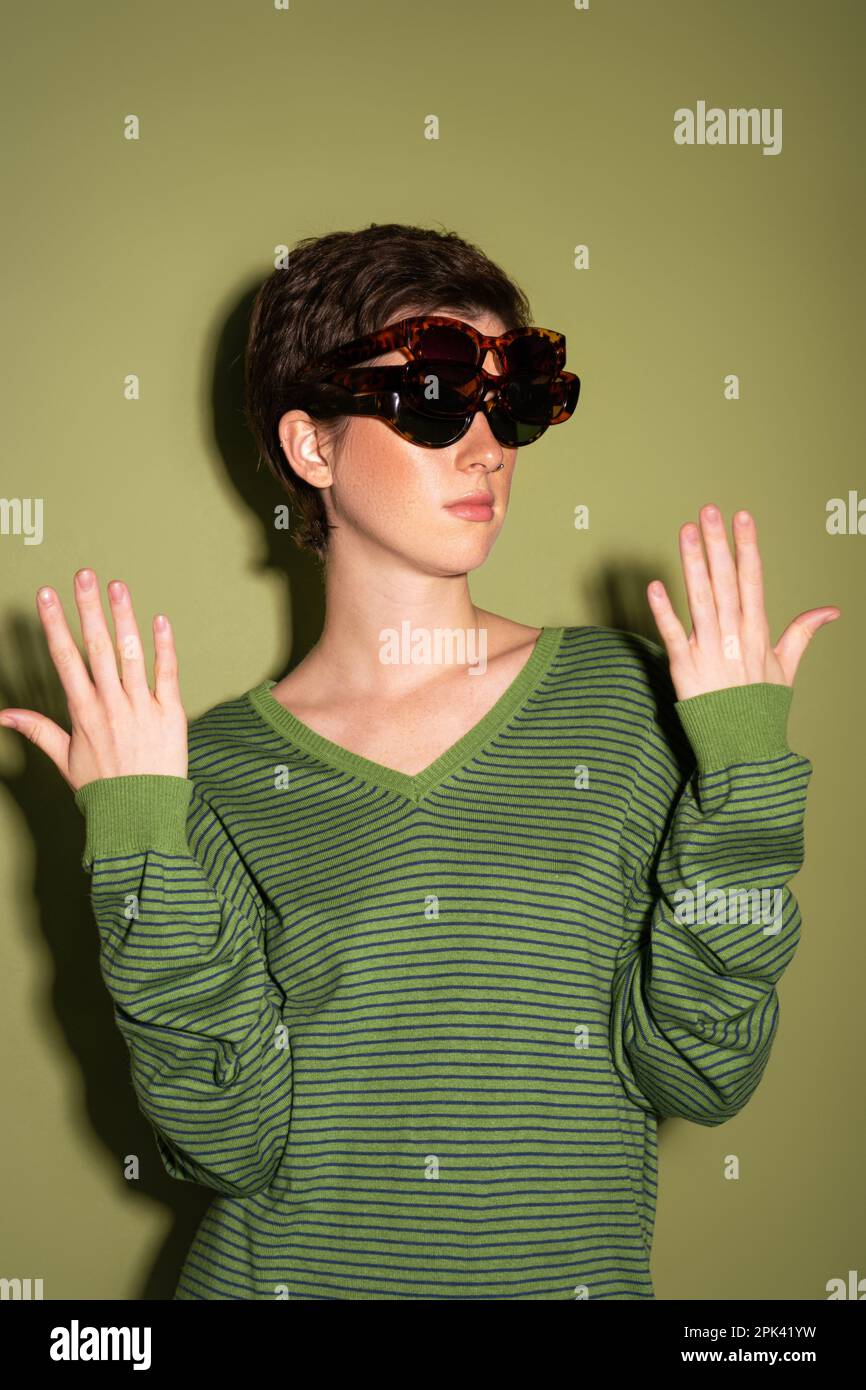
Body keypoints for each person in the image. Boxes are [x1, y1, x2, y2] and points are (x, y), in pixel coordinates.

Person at [1, 223, 838, 1300]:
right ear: (310, 447)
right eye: (436, 394)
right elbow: (228, 1145)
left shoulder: (631, 703)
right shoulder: (201, 768)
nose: (486, 444)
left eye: (511, 397)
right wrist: (137, 847)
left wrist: (739, 783)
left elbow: (701, 1070)